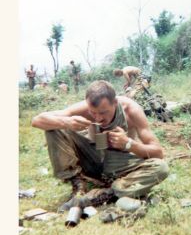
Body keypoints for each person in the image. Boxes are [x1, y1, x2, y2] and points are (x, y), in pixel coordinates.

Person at [31, 80, 169, 211]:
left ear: (115, 102)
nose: (98, 118)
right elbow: (37, 120)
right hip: (92, 159)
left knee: (161, 167)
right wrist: (66, 122)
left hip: (121, 164)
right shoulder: (85, 108)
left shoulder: (131, 110)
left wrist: (128, 144)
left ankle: (109, 192)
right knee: (54, 127)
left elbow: (158, 153)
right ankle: (78, 185)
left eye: (103, 112)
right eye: (93, 113)